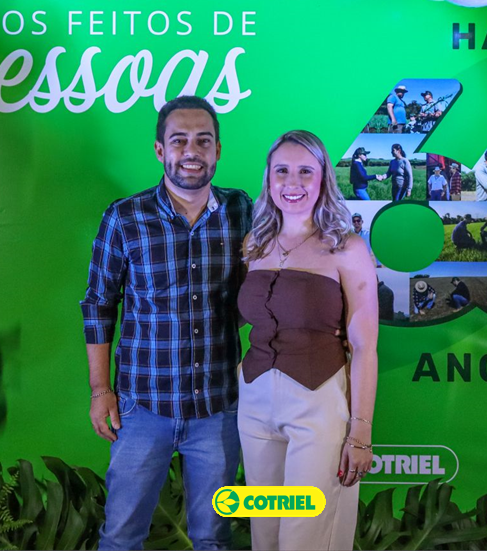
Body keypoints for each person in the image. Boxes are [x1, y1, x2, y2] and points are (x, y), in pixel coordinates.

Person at [82, 97, 252, 551]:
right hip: (142, 407)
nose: (191, 151)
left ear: (218, 150)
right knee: (121, 536)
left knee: (213, 538)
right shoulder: (125, 217)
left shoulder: (241, 211)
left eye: (203, 141)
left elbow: (262, 289)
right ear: (160, 150)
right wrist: (100, 390)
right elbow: (99, 304)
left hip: (218, 408)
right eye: (179, 141)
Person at [239, 130, 378, 551]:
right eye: (281, 171)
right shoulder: (254, 244)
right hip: (254, 405)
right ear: (268, 178)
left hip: (317, 405)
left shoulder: (347, 248)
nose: (292, 182)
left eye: (305, 171)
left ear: (323, 179)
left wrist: (360, 432)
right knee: (265, 535)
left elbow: (364, 347)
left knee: (306, 537)